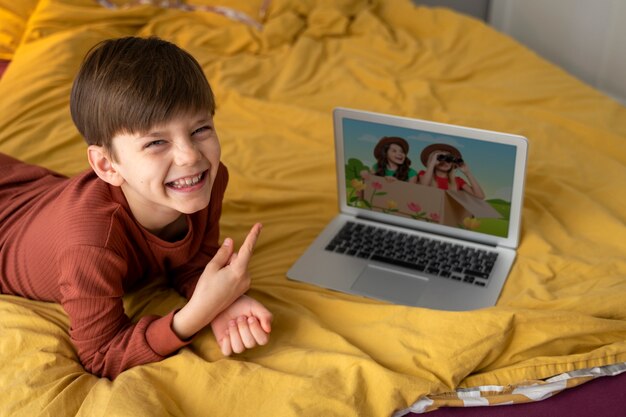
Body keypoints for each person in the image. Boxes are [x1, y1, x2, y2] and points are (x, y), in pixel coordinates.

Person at [0, 37, 272, 379]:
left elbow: (192, 258)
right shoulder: (90, 244)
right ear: (106, 165)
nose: (190, 156)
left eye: (200, 129)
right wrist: (195, 316)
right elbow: (101, 354)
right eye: (156, 142)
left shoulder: (204, 180)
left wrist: (225, 301)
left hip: (31, 190)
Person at [418, 143, 485, 199]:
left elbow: (480, 196)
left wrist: (467, 173)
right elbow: (423, 186)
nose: (446, 162)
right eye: (441, 158)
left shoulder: (457, 181)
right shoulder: (423, 174)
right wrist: (432, 163)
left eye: (449, 159)